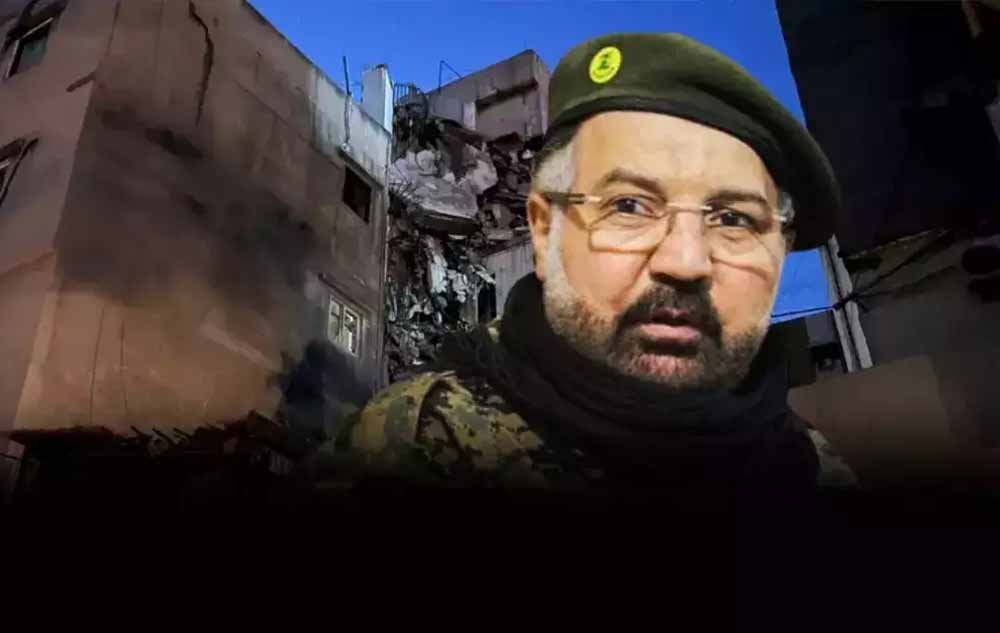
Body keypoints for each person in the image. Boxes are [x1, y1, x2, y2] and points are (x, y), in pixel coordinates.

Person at [305, 33, 856, 510]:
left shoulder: (814, 467)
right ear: (545, 233)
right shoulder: (419, 448)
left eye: (734, 219)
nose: (686, 263)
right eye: (629, 206)